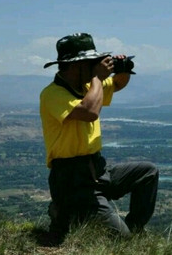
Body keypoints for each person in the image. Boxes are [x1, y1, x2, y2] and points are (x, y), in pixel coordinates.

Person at [39, 33, 159, 243]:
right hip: (71, 179)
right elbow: (89, 112)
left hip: (97, 169)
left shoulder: (87, 87)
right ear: (76, 65)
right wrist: (97, 77)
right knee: (121, 241)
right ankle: (64, 212)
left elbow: (118, 85)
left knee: (147, 172)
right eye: (91, 63)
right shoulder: (52, 94)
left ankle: (133, 228)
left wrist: (123, 69)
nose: (96, 66)